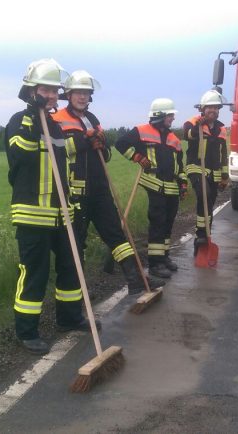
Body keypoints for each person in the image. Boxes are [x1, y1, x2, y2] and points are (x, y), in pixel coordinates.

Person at [4, 59, 99, 355]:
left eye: (55, 90)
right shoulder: (20, 122)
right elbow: (21, 153)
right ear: (32, 91)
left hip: (63, 214)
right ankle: (26, 331)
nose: (52, 95)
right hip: (33, 214)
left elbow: (68, 156)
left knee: (71, 267)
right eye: (46, 90)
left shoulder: (57, 127)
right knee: (35, 272)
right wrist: (34, 115)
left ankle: (69, 318)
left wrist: (89, 142)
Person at [52, 70, 165, 295]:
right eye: (78, 93)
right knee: (76, 243)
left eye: (86, 93)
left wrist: (101, 144)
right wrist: (84, 140)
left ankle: (136, 280)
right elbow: (58, 152)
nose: (82, 97)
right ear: (69, 94)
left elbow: (105, 156)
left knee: (117, 235)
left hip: (100, 189)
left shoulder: (93, 119)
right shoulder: (56, 120)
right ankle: (75, 296)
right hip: (75, 192)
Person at [115, 98, 187, 279]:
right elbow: (120, 144)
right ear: (160, 115)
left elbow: (180, 165)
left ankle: (164, 256)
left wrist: (183, 183)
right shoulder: (141, 131)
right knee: (158, 223)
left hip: (172, 188)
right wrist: (138, 157)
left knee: (168, 223)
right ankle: (155, 264)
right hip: (153, 185)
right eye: (169, 115)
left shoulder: (174, 139)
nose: (172, 118)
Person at [183, 90, 229, 255]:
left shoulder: (221, 128)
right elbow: (187, 135)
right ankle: (201, 235)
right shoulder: (192, 122)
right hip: (196, 167)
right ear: (202, 108)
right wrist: (198, 127)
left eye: (216, 108)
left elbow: (224, 153)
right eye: (210, 107)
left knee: (209, 203)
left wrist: (225, 176)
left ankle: (202, 237)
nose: (213, 111)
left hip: (214, 172)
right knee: (204, 194)